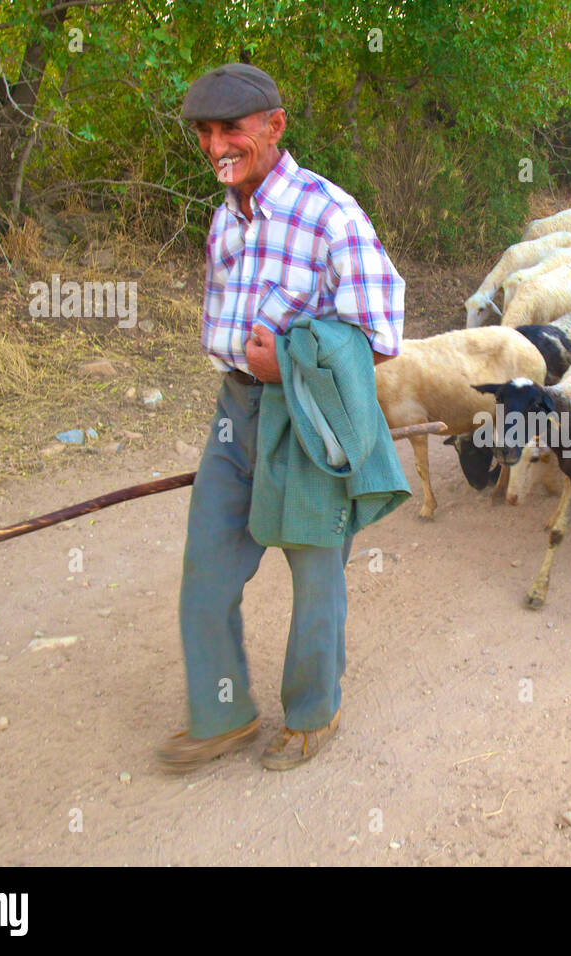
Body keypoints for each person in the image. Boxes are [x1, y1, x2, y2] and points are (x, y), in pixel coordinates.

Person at [156, 63, 407, 773]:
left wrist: (288, 365)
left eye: (229, 129)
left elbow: (381, 336)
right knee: (207, 565)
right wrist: (252, 373)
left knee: (315, 573)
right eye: (205, 133)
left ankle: (312, 713)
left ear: (274, 125)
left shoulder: (332, 215)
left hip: (304, 419)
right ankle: (224, 713)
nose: (215, 147)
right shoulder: (225, 214)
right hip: (236, 413)